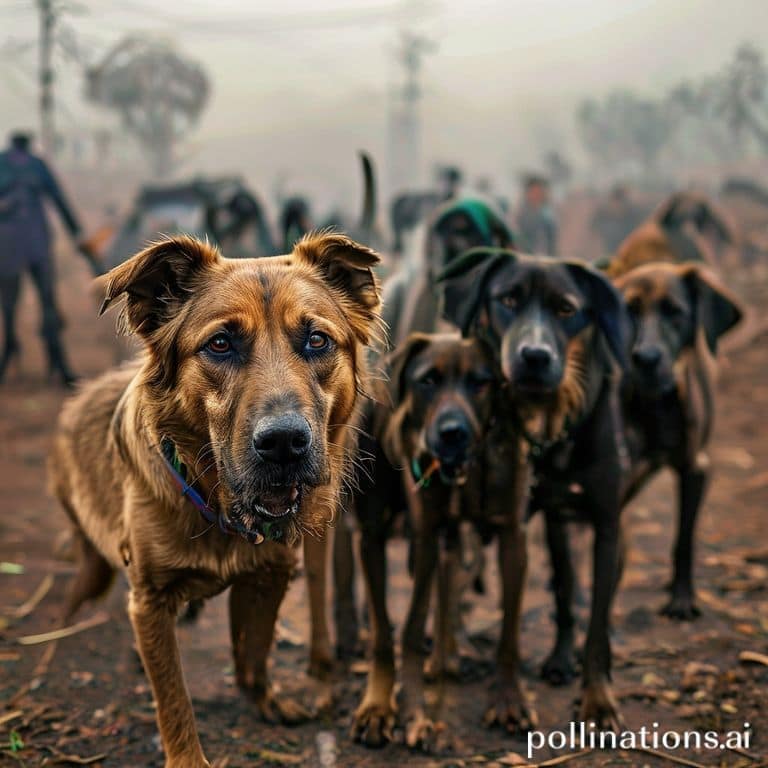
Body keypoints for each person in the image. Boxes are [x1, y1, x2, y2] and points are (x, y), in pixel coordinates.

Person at [0, 131, 98, 386]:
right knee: (18, 304)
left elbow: (59, 200)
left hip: (30, 244)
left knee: (42, 303)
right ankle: (18, 353)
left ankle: (55, 360)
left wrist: (77, 234)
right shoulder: (32, 164)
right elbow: (59, 201)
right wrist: (76, 233)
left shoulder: (29, 164)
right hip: (17, 245)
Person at [516, 174, 558, 255]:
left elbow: (551, 245)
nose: (537, 195)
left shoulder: (548, 217)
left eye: (539, 192)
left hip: (544, 259)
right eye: (534, 192)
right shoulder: (521, 216)